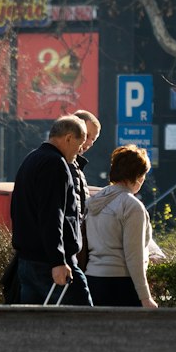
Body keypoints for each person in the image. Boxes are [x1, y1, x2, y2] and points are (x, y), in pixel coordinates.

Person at [10, 114, 93, 306]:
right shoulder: (56, 164)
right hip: (50, 263)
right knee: (86, 321)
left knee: (36, 327)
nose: (79, 153)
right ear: (68, 138)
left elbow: (18, 210)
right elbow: (52, 215)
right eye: (79, 146)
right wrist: (58, 260)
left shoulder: (31, 159)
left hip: (27, 261)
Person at [84, 144, 159, 309]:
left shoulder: (93, 201)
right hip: (121, 282)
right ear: (138, 175)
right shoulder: (132, 206)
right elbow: (134, 256)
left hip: (93, 279)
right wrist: (145, 297)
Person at [72, 108, 101, 267]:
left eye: (93, 139)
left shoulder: (77, 167)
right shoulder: (61, 165)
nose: (89, 143)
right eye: (87, 136)